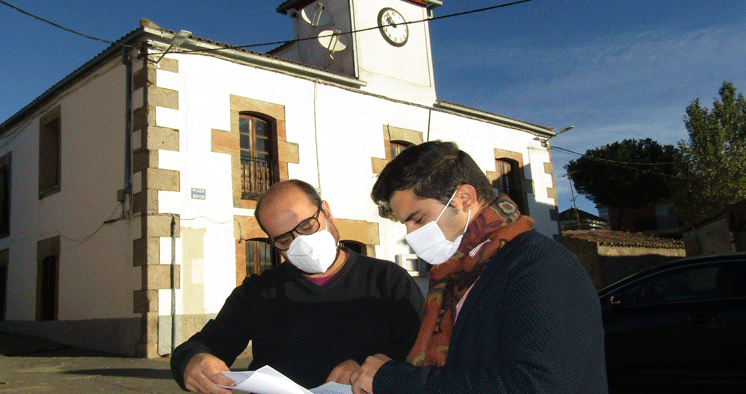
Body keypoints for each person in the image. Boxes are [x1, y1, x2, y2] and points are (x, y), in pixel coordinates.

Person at [350, 141, 607, 394]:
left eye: (418, 219)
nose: (410, 234)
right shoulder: (454, 276)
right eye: (404, 224)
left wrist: (395, 381)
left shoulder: (541, 266)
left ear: (464, 198)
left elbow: (538, 385)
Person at [171, 179, 425, 393]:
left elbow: (425, 358)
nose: (301, 242)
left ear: (326, 211)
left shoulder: (388, 280)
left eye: (307, 226)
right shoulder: (257, 292)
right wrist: (193, 362)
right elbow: (203, 345)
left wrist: (375, 371)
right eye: (284, 239)